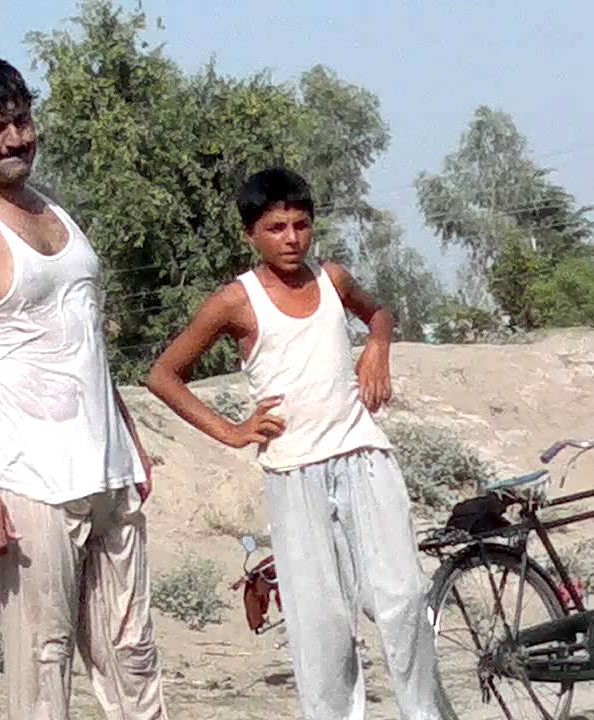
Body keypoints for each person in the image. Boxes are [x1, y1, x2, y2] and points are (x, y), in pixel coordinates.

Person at [145, 168, 437, 720]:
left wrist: (377, 346)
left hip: (362, 454)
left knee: (403, 598)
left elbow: (378, 313)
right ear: (250, 234)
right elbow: (163, 375)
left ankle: (426, 713)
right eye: (276, 228)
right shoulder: (236, 301)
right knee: (321, 624)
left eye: (301, 225)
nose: (291, 238)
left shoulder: (332, 279)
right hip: (294, 470)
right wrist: (232, 431)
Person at [0, 58, 167, 719]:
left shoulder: (56, 212)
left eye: (22, 121)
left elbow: (85, 338)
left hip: (105, 467)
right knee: (43, 663)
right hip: (28, 478)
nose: (15, 140)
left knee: (132, 653)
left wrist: (128, 435)